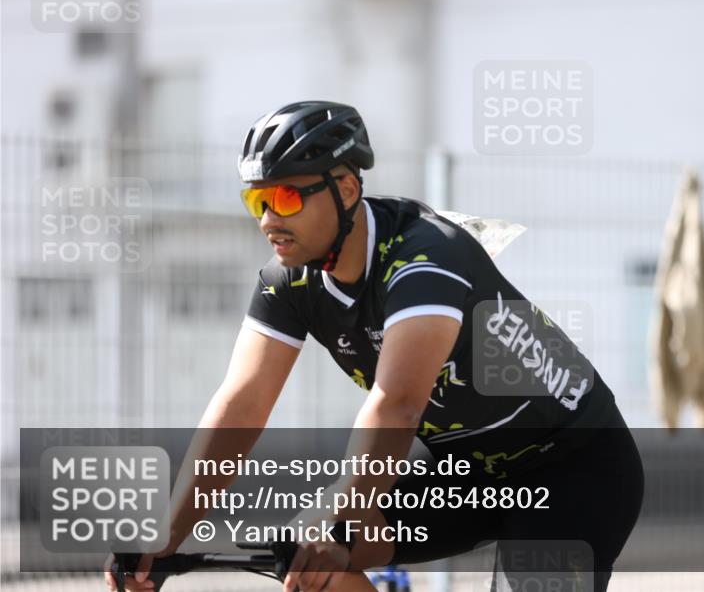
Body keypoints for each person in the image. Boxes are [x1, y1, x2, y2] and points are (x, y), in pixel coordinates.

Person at [105, 101, 644, 592]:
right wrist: (168, 535)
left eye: (287, 196)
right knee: (311, 562)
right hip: (468, 473)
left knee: (330, 532)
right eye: (258, 200)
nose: (269, 220)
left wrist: (341, 517)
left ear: (344, 189)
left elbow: (397, 401)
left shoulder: (425, 258)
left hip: (572, 467)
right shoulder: (288, 279)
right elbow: (241, 405)